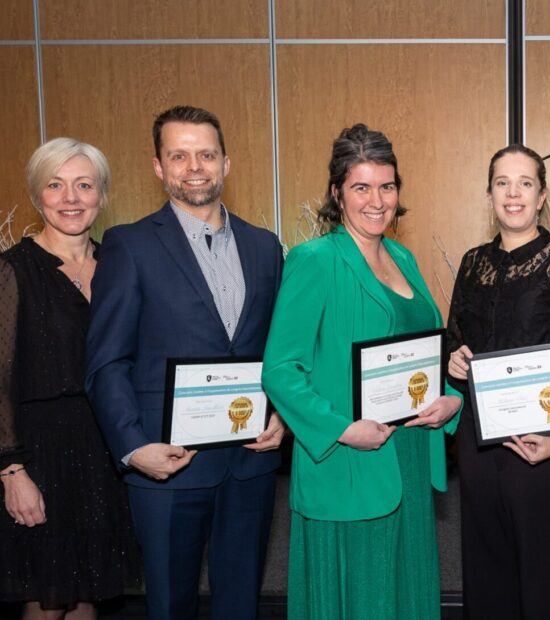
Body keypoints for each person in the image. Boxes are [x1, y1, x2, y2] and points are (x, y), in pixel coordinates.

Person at [85, 106, 285, 620]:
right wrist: (132, 448)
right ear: (158, 167)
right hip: (167, 462)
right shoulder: (128, 245)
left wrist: (281, 417)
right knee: (170, 605)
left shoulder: (266, 248)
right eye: (179, 155)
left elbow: (280, 355)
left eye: (206, 154)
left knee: (241, 603)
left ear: (226, 163)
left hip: (249, 460)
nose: (194, 166)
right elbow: (107, 361)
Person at [261, 123, 462, 620]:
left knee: (406, 598)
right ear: (337, 193)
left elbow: (420, 352)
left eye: (387, 186)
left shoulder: (403, 256)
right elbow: (281, 370)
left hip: (410, 458)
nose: (377, 200)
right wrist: (343, 430)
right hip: (348, 462)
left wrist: (451, 397)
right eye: (361, 187)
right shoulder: (315, 260)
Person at [446, 144, 550, 619]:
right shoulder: (473, 263)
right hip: (480, 450)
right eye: (502, 183)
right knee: (487, 582)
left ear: (541, 196)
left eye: (525, 184)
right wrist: (451, 359)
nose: (513, 194)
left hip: (544, 452)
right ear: (489, 193)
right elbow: (455, 338)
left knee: (546, 589)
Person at [0, 138, 136, 619]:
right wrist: (12, 471)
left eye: (84, 185)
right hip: (41, 457)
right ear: (39, 196)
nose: (71, 198)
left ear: (102, 194)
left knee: (88, 593)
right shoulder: (13, 271)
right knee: (47, 597)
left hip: (105, 451)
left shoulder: (120, 265)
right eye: (56, 186)